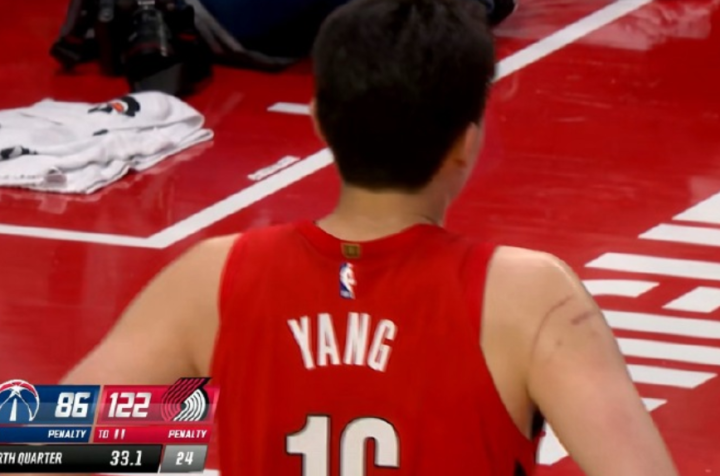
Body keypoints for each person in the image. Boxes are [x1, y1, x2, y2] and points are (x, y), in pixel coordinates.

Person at [63, 0, 679, 475]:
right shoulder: (528, 297)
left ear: (318, 123)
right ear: (466, 143)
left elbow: (49, 451)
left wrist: (191, 440)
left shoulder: (215, 279)